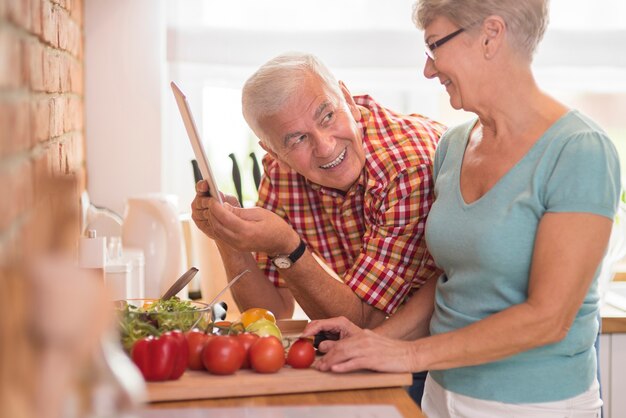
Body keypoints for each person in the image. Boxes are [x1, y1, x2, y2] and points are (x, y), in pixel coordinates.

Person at [302, 1, 621, 417]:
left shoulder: (579, 150)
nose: (428, 70)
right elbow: (454, 281)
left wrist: (411, 356)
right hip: (442, 395)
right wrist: (378, 339)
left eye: (435, 45)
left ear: (491, 35)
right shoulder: (453, 145)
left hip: (536, 406)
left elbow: (548, 318)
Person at [191, 52, 444, 403]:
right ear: (273, 151)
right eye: (297, 139)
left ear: (347, 99)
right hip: (383, 345)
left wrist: (287, 247)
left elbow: (366, 322)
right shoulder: (282, 173)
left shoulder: (406, 168)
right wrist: (229, 237)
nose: (325, 147)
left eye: (327, 115)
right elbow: (271, 310)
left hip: (436, 352)